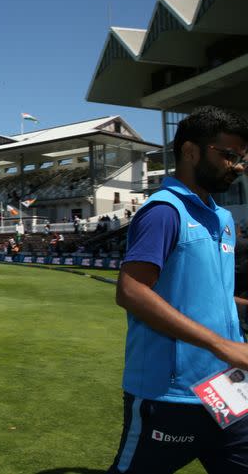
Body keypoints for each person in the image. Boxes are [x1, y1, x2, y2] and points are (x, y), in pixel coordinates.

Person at [107, 106, 248, 474]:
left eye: (242, 158)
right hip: (170, 394)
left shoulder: (222, 217)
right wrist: (224, 345)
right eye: (229, 155)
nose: (238, 166)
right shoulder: (163, 212)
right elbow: (132, 291)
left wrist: (242, 306)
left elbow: (204, 293)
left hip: (227, 388)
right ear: (190, 152)